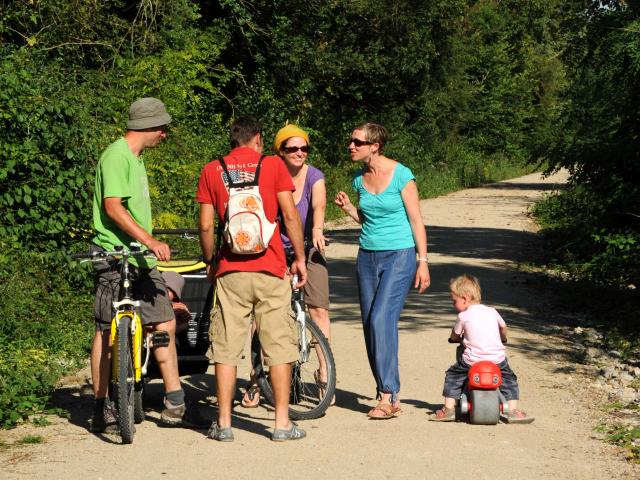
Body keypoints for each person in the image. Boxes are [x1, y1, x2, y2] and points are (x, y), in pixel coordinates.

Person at [90, 97, 207, 433]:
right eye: (162, 128)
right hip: (114, 254)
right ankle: (102, 407)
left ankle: (175, 402)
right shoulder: (117, 156)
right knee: (105, 331)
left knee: (165, 322)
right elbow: (113, 208)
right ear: (150, 126)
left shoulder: (136, 159)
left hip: (142, 258)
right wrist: (150, 240)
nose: (164, 135)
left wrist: (147, 248)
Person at [197, 116, 308, 442]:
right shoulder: (273, 166)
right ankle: (282, 424)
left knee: (227, 346)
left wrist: (210, 261)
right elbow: (289, 215)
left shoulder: (211, 169)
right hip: (271, 268)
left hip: (231, 270)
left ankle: (224, 424)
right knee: (278, 345)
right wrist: (298, 258)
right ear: (258, 139)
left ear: (233, 140)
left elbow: (206, 226)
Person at [334, 122, 430, 419]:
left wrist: (422, 261)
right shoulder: (358, 180)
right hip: (367, 257)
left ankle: (388, 393)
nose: (351, 146)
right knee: (369, 324)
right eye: (351, 141)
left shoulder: (402, 175)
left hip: (400, 256)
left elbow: (416, 221)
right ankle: (385, 391)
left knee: (380, 319)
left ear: (374, 145)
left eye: (357, 142)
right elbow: (368, 218)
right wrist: (350, 209)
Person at [240, 124, 333, 409]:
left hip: (309, 247)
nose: (299, 153)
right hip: (274, 250)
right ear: (280, 151)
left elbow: (318, 206)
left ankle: (324, 373)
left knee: (318, 309)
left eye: (304, 148)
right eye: (292, 148)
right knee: (263, 314)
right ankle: (256, 379)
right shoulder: (268, 172)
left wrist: (317, 229)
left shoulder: (315, 176)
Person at [431, 274, 534, 423]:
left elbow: (455, 334)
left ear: (465, 299)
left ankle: (448, 409)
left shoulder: (463, 316)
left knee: (453, 376)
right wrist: (502, 338)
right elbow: (503, 327)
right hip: (497, 360)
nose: (454, 305)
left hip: (472, 360)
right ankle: (512, 410)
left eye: (454, 301)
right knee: (509, 379)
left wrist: (454, 339)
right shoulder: (492, 311)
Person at [162, 270, 192, 335]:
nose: (167, 292)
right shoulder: (147, 300)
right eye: (165, 288)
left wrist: (181, 322)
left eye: (172, 291)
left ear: (175, 296)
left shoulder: (177, 308)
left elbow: (178, 331)